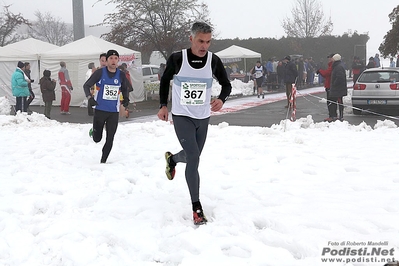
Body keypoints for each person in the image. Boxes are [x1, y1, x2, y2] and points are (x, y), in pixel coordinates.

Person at [157, 21, 231, 226]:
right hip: (182, 116)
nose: (204, 46)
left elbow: (226, 84)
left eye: (208, 42)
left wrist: (221, 99)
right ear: (191, 39)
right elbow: (165, 81)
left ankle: (172, 159)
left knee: (193, 155)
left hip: (203, 117)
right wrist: (163, 105)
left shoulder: (213, 60)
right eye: (200, 41)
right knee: (194, 157)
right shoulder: (178, 58)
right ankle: (196, 207)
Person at [83, 49, 130, 164]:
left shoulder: (121, 75)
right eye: (111, 58)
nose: (113, 61)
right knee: (97, 139)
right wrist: (90, 98)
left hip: (113, 112)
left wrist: (126, 99)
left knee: (110, 137)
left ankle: (103, 161)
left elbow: (125, 88)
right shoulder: (100, 73)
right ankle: (94, 132)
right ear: (107, 60)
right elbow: (86, 85)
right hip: (100, 110)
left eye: (116, 58)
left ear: (118, 61)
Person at [329, 54, 348, 121]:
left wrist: (334, 84)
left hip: (338, 88)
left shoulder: (338, 67)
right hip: (338, 88)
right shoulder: (338, 66)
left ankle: (340, 115)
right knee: (337, 102)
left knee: (339, 102)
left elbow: (340, 77)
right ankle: (338, 115)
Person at [317, 53, 334, 121]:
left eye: (330, 58)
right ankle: (332, 115)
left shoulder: (332, 66)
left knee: (330, 102)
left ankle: (332, 115)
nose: (328, 59)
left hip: (330, 85)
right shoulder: (330, 65)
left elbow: (327, 73)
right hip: (328, 85)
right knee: (330, 102)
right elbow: (326, 74)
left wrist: (320, 71)